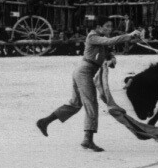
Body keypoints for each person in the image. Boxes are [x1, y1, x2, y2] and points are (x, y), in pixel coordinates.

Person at [36, 17, 142, 152]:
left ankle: (44, 121)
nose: (109, 29)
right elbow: (109, 42)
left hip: (82, 72)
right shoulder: (92, 36)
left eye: (110, 27)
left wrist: (112, 58)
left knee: (75, 104)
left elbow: (108, 52)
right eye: (107, 26)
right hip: (84, 73)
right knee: (91, 104)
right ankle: (88, 140)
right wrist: (129, 35)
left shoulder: (99, 37)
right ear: (98, 27)